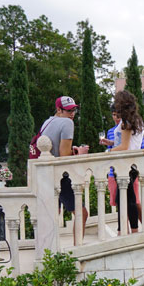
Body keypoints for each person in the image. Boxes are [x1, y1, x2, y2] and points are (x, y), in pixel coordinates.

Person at [43, 95, 88, 243]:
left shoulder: (47, 122)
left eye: (74, 110)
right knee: (82, 213)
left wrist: (71, 149)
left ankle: (48, 252)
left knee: (52, 215)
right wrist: (80, 153)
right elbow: (64, 155)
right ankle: (78, 249)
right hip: (61, 176)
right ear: (59, 110)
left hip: (45, 175)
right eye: (68, 111)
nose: (72, 114)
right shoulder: (67, 123)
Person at [104, 90, 144, 234]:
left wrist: (108, 152)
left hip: (123, 165)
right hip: (132, 165)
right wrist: (111, 142)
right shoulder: (137, 120)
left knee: (124, 200)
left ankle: (125, 230)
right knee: (129, 199)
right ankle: (131, 229)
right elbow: (130, 143)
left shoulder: (126, 123)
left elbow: (124, 147)